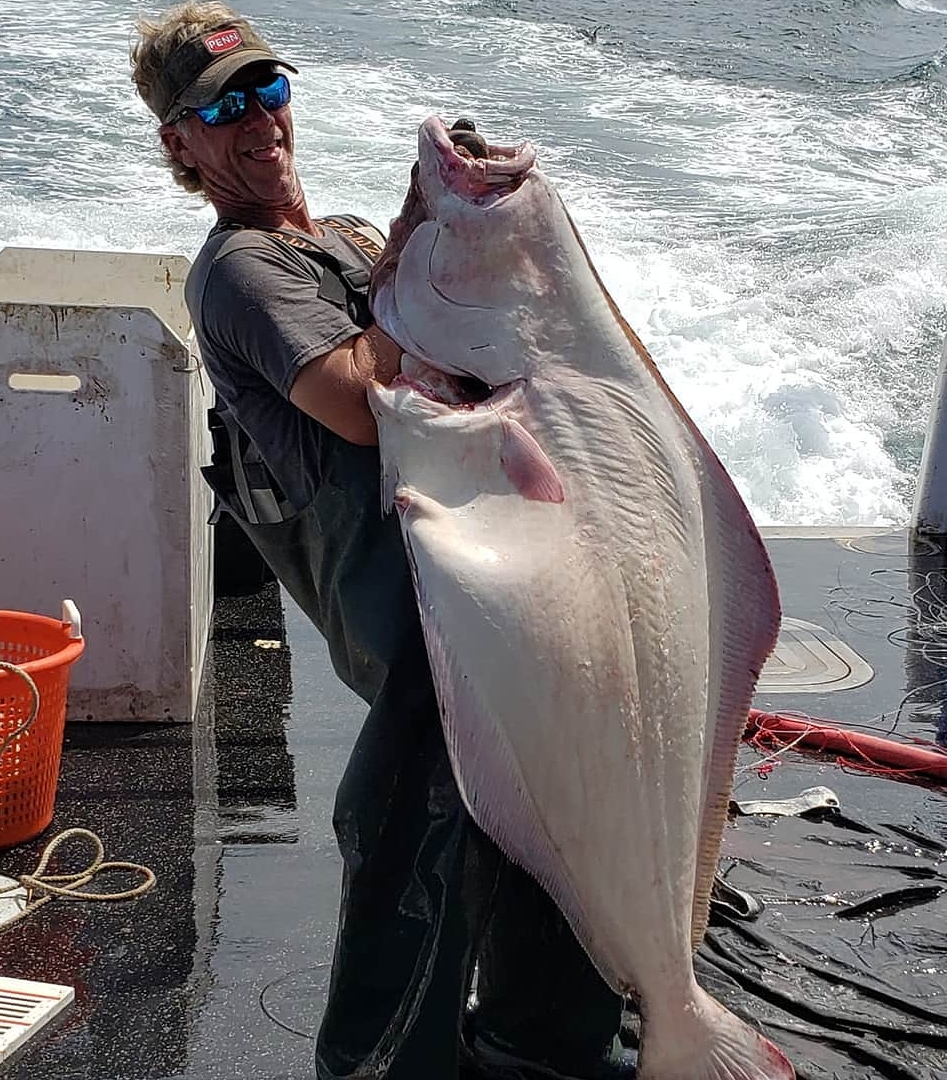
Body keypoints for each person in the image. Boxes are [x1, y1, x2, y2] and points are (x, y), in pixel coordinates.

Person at [130, 6, 632, 1077]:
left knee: (541, 808)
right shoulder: (240, 273)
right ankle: (383, 1066)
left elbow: (485, 331)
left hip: (477, 564)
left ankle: (544, 1042)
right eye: (221, 108)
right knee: (420, 824)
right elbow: (363, 404)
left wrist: (479, 219)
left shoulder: (347, 238)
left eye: (267, 91)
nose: (257, 120)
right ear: (181, 143)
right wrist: (423, 218)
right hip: (401, 602)